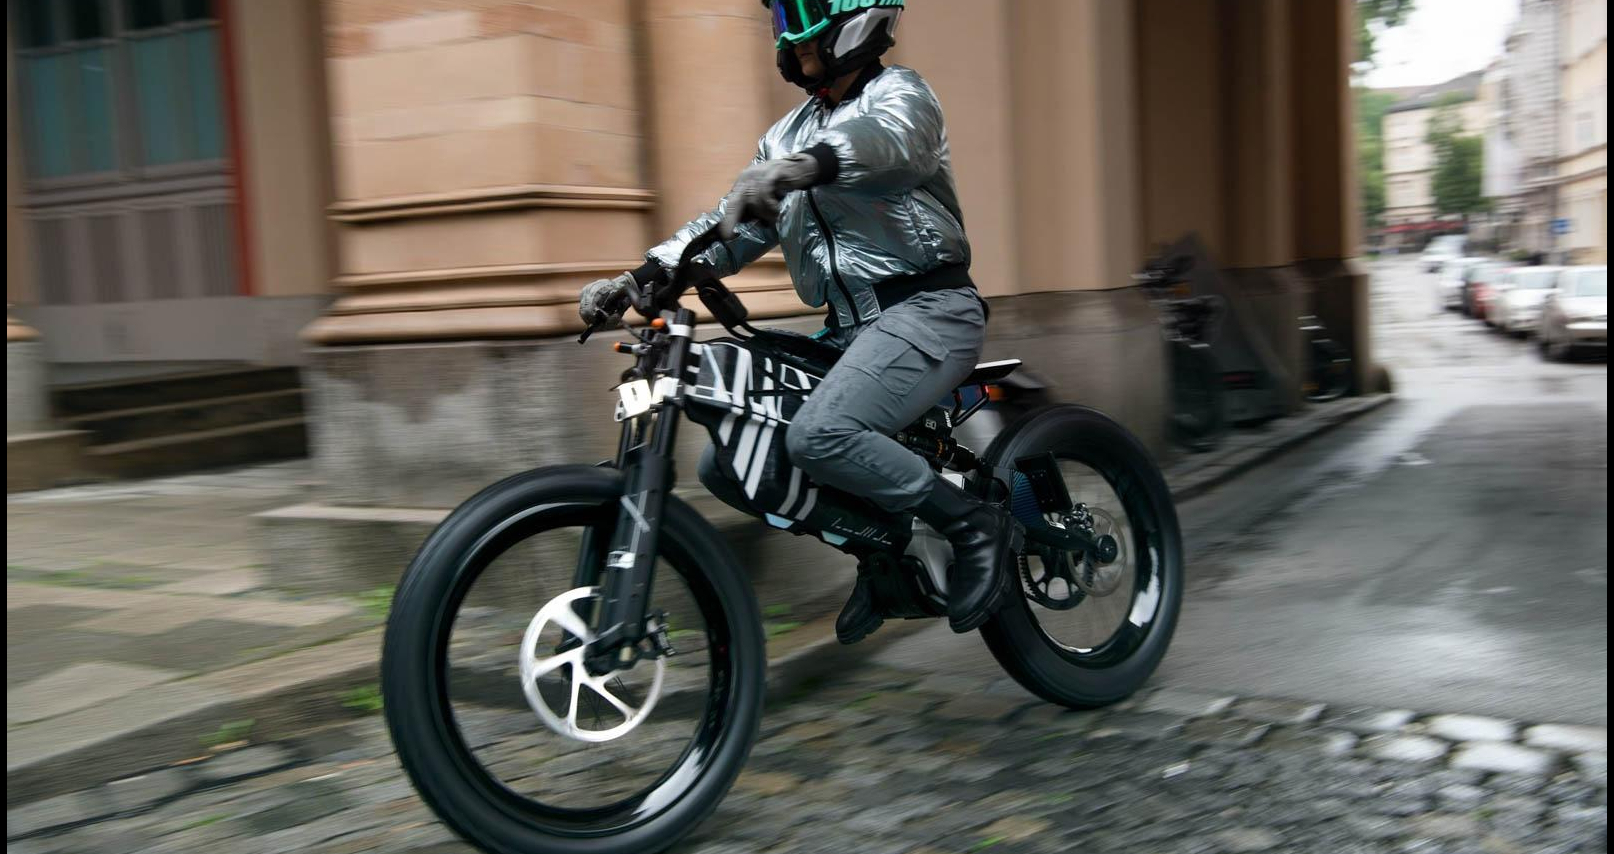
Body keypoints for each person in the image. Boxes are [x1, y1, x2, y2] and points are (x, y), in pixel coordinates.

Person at [577, 0, 1015, 645]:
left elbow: (888, 145)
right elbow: (731, 227)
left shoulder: (903, 95)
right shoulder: (784, 136)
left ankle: (972, 523)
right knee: (728, 464)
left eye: (801, 11)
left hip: (928, 310)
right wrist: (641, 277)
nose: (791, 34)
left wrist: (804, 166)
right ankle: (883, 553)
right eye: (781, 17)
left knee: (821, 434)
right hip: (846, 332)